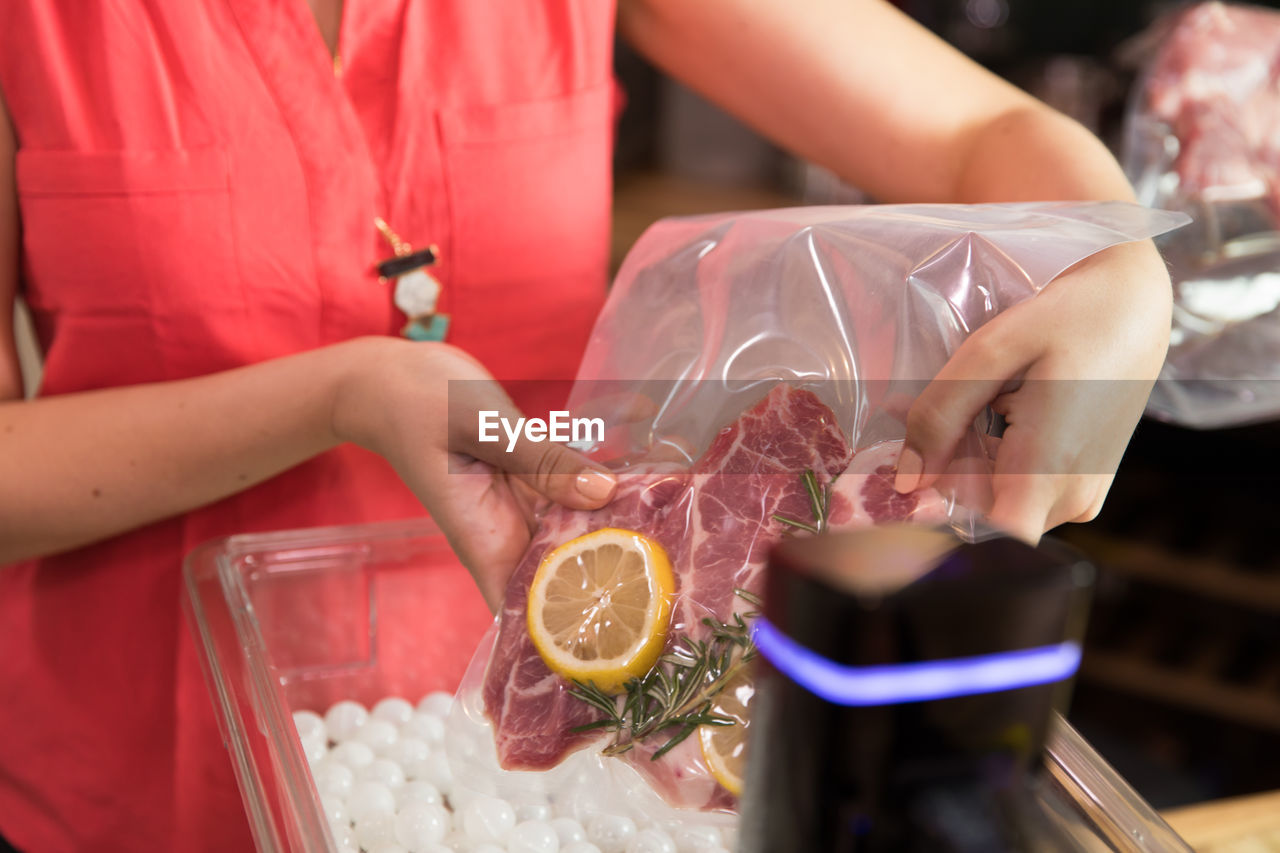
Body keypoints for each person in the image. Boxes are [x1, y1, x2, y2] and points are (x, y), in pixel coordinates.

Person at [0, 0, 1172, 850]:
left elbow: (982, 140)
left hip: (556, 759)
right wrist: (340, 395)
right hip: (141, 768)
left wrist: (1121, 272)